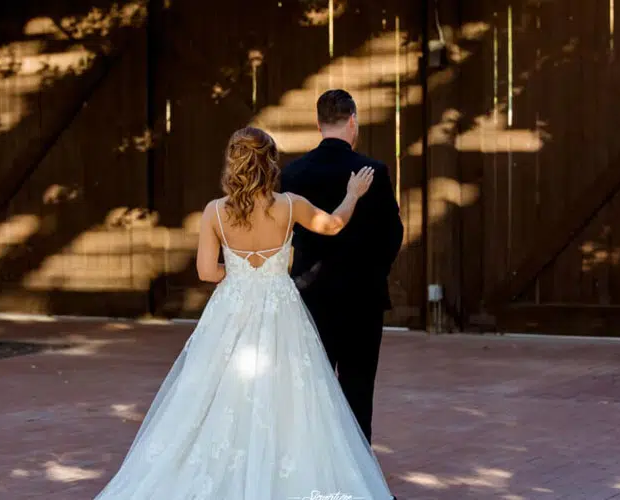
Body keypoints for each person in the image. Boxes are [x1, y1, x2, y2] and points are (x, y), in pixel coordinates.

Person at [94, 127, 393, 500]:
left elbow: (206, 272)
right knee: (290, 397)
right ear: (270, 163)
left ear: (233, 164)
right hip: (281, 311)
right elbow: (333, 225)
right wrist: (352, 195)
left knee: (219, 392)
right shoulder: (290, 205)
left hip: (231, 312)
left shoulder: (215, 212)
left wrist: (237, 276)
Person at [281, 89, 404, 443]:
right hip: (361, 297)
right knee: (358, 390)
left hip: (309, 297)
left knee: (310, 392)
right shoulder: (373, 171)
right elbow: (392, 234)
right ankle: (358, 482)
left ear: (319, 124)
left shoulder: (294, 173)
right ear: (352, 121)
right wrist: (373, 273)